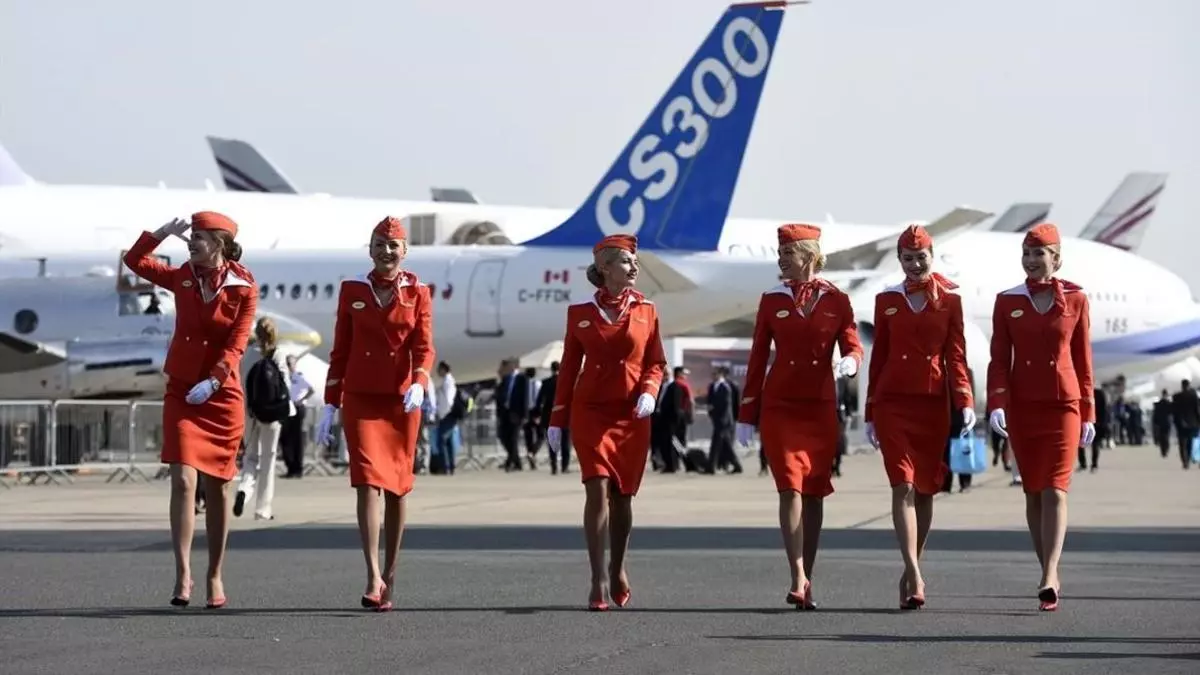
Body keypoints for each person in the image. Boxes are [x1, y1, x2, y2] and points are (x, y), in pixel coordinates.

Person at [122, 212, 256, 610]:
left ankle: (214, 573)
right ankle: (183, 572)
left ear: (220, 244)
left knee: (218, 487)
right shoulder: (182, 277)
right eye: (190, 236)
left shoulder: (243, 286)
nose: (191, 242)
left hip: (221, 394)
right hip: (182, 389)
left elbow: (237, 343)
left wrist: (214, 380)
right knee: (182, 480)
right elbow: (135, 261)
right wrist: (161, 233)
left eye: (199, 237)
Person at [734, 223, 863, 610]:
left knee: (814, 492)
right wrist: (747, 413)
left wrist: (851, 362)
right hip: (781, 406)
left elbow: (852, 343)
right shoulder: (771, 300)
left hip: (819, 407)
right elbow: (758, 358)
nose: (781, 260)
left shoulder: (837, 300)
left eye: (788, 253)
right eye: (780, 253)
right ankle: (797, 575)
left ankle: (809, 573)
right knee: (790, 486)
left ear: (809, 256)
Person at [315, 216, 434, 613]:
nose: (386, 251)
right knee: (367, 482)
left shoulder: (418, 292)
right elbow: (340, 348)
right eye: (379, 244)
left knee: (398, 488)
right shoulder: (352, 290)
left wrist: (419, 381)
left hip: (401, 402)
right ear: (369, 249)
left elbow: (424, 346)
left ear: (405, 251)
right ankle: (372, 574)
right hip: (362, 398)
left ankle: (391, 572)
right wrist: (330, 401)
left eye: (393, 245)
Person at [546, 233, 667, 611]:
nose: (633, 268)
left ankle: (618, 567)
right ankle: (597, 577)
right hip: (591, 413)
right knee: (596, 488)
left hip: (631, 415)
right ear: (604, 267)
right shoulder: (580, 313)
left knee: (623, 496)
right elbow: (568, 369)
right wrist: (557, 418)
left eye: (635, 263)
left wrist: (650, 392)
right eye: (626, 262)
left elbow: (656, 362)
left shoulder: (647, 310)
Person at [863, 224, 975, 610]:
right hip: (893, 403)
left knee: (926, 489)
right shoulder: (886, 301)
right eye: (907, 258)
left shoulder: (950, 301)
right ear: (899, 260)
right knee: (903, 485)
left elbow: (956, 355)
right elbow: (879, 357)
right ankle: (914, 572)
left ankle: (911, 570)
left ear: (932, 256)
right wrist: (870, 409)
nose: (914, 264)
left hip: (932, 404)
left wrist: (965, 401)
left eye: (920, 257)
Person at [987, 222, 1095, 612]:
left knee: (1055, 488)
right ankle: (1046, 568)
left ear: (1056, 259)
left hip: (1064, 405)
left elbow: (1083, 360)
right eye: (1027, 254)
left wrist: (1088, 411)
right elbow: (1000, 360)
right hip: (1023, 406)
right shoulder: (1007, 301)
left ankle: (1050, 573)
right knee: (1032, 490)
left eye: (1040, 254)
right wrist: (997, 403)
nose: (1032, 261)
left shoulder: (1077, 299)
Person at [234, 317, 293, 520]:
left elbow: (242, 382)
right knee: (268, 459)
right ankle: (263, 509)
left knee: (250, 456)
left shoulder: (247, 354)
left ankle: (244, 489)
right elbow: (286, 385)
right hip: (272, 414)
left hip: (250, 412)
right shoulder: (278, 354)